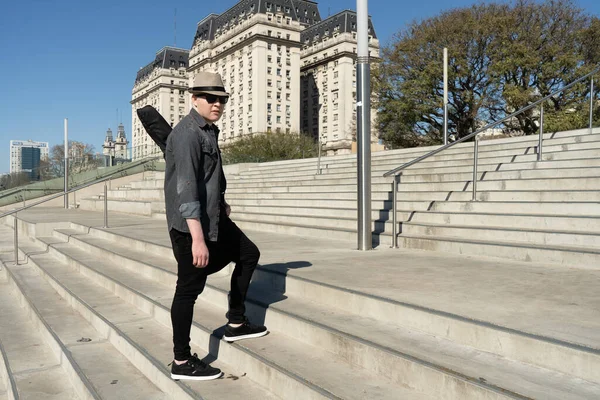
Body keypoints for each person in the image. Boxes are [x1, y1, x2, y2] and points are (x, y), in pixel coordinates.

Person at [164, 71, 268, 381]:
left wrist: (220, 201)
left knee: (249, 254)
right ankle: (181, 362)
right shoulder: (186, 134)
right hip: (190, 228)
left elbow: (207, 177)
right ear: (193, 99)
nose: (217, 103)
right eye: (210, 98)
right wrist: (197, 238)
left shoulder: (208, 130)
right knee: (188, 291)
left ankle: (236, 322)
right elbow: (185, 187)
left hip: (215, 219)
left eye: (221, 99)